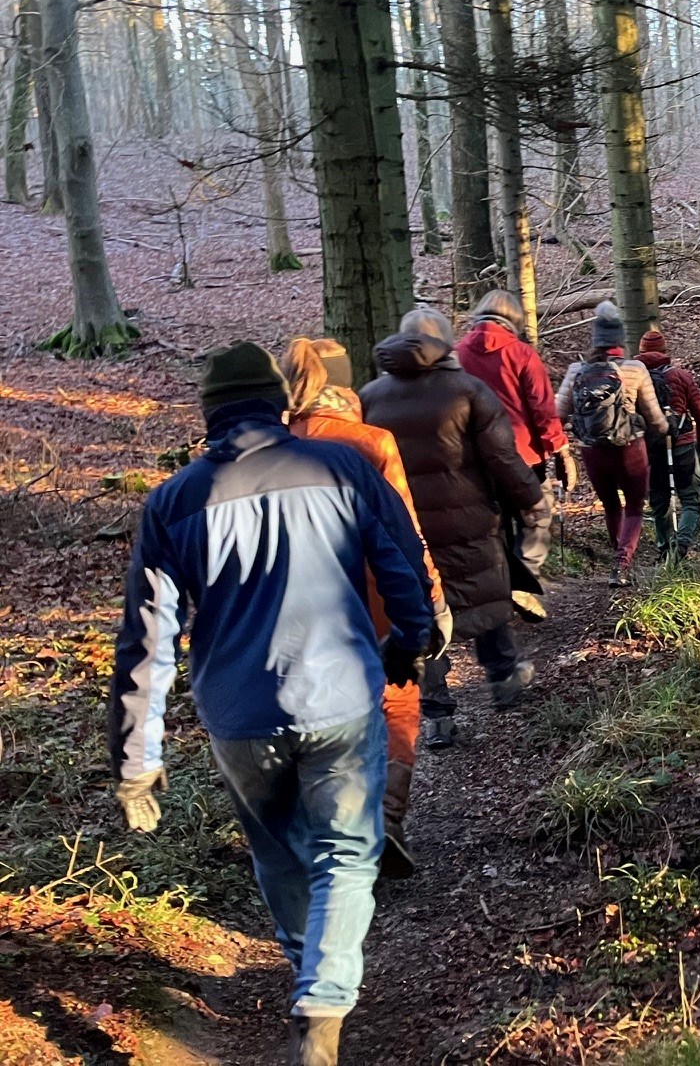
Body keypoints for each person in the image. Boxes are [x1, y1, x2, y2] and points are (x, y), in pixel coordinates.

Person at [110, 342, 435, 1066]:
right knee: (348, 854)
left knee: (282, 854)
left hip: (238, 711)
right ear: (279, 404)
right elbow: (402, 558)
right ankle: (325, 994)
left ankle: (305, 968)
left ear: (209, 415)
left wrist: (138, 758)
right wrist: (411, 643)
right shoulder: (343, 467)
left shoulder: (172, 501)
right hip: (343, 696)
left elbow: (147, 639)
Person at [281, 337, 452, 881]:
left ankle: (319, 824)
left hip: (291, 605)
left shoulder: (265, 444)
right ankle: (384, 820)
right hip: (375, 597)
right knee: (394, 699)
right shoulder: (371, 442)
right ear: (345, 382)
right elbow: (406, 531)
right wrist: (433, 603)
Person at [361, 307, 545, 750]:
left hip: (402, 527)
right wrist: (532, 501)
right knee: (485, 588)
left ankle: (438, 715)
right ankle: (503, 679)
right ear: (445, 344)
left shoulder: (368, 396)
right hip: (470, 517)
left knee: (423, 608)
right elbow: (502, 458)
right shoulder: (467, 391)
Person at [454, 289, 572, 623]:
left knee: (496, 525)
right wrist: (558, 448)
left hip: (475, 456)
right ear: (514, 320)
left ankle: (499, 594)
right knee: (537, 516)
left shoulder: (456, 354)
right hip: (523, 454)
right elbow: (542, 407)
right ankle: (523, 578)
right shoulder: (522, 354)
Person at [555, 301, 669, 587]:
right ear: (621, 340)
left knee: (609, 505)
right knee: (633, 505)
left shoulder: (576, 371)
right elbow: (655, 418)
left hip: (592, 450)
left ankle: (616, 557)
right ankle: (622, 564)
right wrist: (668, 429)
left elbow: (557, 414)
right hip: (629, 447)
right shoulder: (634, 368)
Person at [637, 328, 700, 561]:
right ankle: (682, 544)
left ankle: (664, 549)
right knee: (691, 498)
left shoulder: (632, 376)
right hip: (682, 445)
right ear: (664, 351)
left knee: (659, 501)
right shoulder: (680, 376)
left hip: (649, 448)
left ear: (640, 351)